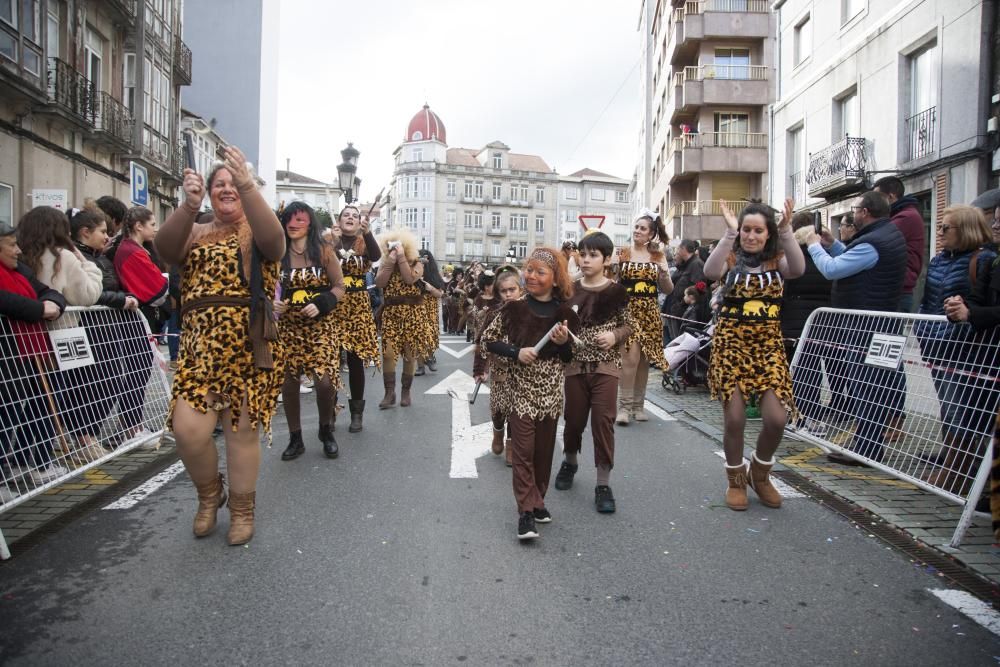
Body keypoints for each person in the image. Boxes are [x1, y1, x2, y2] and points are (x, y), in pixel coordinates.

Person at [154, 146, 285, 546]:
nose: (227, 189)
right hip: (198, 351)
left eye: (234, 183)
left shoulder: (256, 229)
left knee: (241, 432)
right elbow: (164, 250)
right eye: (219, 184)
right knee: (188, 431)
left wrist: (246, 182)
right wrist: (188, 206)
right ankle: (210, 495)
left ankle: (242, 509)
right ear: (209, 192)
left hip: (247, 347)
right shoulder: (194, 229)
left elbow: (276, 243)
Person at [703, 199, 803, 511]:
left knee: (776, 418)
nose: (751, 235)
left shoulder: (778, 260)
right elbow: (709, 271)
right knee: (734, 419)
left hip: (768, 347)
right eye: (746, 229)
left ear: (767, 233)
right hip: (731, 346)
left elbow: (798, 270)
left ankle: (759, 475)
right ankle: (735, 480)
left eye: (758, 230)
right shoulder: (730, 257)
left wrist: (787, 231)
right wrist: (728, 235)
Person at [801, 191, 907, 466]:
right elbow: (853, 259)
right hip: (883, 322)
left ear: (866, 212)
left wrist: (814, 245)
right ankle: (867, 442)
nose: (853, 213)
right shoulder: (886, 235)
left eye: (856, 208)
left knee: (866, 386)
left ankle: (867, 447)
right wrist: (833, 243)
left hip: (865, 327)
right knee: (873, 386)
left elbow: (833, 270)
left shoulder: (873, 242)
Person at [480, 249, 578, 540]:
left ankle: (537, 501)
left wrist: (561, 344)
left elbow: (571, 357)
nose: (531, 276)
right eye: (529, 270)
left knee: (543, 455)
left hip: (550, 395)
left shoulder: (566, 314)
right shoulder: (514, 308)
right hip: (520, 391)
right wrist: (515, 352)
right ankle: (525, 513)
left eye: (540, 272)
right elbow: (488, 341)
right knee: (522, 453)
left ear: (556, 278)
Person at [915, 205, 997, 491]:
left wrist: (963, 320)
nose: (938, 233)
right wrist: (922, 331)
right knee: (949, 410)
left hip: (967, 351)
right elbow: (928, 300)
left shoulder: (984, 260)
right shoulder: (938, 261)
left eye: (945, 228)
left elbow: (982, 306)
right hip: (937, 347)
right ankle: (955, 469)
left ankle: (961, 473)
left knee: (963, 413)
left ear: (965, 230)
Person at [553, 232, 632, 513]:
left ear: (607, 260)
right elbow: (559, 323)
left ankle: (603, 483)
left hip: (606, 367)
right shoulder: (570, 290)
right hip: (574, 367)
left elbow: (630, 326)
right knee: (573, 420)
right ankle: (570, 461)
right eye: (582, 254)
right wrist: (561, 336)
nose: (585, 260)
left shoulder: (617, 291)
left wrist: (614, 335)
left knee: (603, 422)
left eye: (593, 255)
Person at [272, 201, 345, 461]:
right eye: (289, 220)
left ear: (309, 223)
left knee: (324, 383)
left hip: (321, 328)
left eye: (299, 220)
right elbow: (267, 288)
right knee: (289, 384)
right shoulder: (276, 254)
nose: (293, 224)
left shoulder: (324, 251)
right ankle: (296, 438)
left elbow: (339, 286)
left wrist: (322, 303)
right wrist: (273, 304)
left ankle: (326, 430)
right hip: (289, 329)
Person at [0, 220, 69, 484]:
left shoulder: (20, 271)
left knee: (35, 405)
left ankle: (24, 462)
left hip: (29, 351)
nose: (17, 250)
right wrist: (37, 310)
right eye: (11, 245)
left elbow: (48, 292)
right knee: (6, 414)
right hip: (8, 352)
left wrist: (52, 302)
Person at [68, 207, 141, 456]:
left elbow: (106, 287)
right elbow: (90, 292)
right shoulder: (78, 258)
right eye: (102, 231)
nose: (107, 236)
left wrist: (122, 297)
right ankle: (84, 436)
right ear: (85, 232)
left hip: (107, 328)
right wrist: (121, 299)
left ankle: (89, 433)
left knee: (109, 381)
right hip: (87, 329)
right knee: (92, 383)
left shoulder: (101, 256)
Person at [112, 206, 168, 445]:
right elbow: (155, 287)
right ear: (139, 226)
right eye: (152, 224)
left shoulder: (133, 249)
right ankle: (131, 428)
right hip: (135, 317)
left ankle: (133, 426)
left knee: (140, 371)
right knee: (138, 371)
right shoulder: (131, 251)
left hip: (138, 315)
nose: (155, 228)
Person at [612, 211, 673, 425]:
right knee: (629, 359)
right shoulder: (623, 253)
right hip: (627, 311)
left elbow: (668, 288)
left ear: (651, 234)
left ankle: (639, 406)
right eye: (636, 227)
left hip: (650, 313)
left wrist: (664, 274)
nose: (637, 231)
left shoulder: (658, 256)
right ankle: (624, 407)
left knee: (644, 362)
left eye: (642, 228)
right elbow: (614, 283)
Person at [328, 206, 381, 432]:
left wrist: (368, 233)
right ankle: (328, 411)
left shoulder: (363, 242)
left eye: (355, 216)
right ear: (338, 221)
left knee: (355, 360)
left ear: (360, 222)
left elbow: (377, 256)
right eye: (346, 215)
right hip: (332, 303)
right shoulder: (331, 240)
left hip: (357, 306)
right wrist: (331, 242)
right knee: (329, 359)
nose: (350, 218)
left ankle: (356, 414)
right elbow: (318, 262)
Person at [781, 212, 834, 435]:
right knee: (813, 370)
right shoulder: (826, 257)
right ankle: (812, 419)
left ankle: (800, 417)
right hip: (822, 320)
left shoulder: (794, 259)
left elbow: (785, 290)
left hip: (794, 319)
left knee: (797, 370)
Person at [375, 229, 436, 409]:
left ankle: (405, 392)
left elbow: (409, 279)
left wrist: (401, 258)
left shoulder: (418, 263)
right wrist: (391, 259)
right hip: (391, 313)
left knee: (410, 356)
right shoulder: (386, 262)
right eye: (392, 245)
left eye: (399, 244)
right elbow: (379, 283)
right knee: (388, 354)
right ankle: (389, 392)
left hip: (412, 315)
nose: (395, 247)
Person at [474, 266, 523, 466]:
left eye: (513, 289)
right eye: (504, 291)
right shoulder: (494, 313)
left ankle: (511, 445)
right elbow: (482, 343)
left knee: (515, 410)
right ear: (498, 293)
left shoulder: (528, 311)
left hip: (521, 371)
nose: (509, 294)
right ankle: (497, 432)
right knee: (498, 409)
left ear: (520, 289)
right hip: (499, 369)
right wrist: (479, 369)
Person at [873, 177, 926, 313]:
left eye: (878, 197)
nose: (875, 203)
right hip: (893, 289)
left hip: (898, 291)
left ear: (891, 196)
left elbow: (877, 240)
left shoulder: (906, 217)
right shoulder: (895, 216)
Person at [413, 248, 444, 376]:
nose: (423, 261)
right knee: (417, 337)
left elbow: (440, 294)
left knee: (431, 334)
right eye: (420, 258)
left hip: (431, 310)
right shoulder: (412, 273)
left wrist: (430, 288)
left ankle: (430, 358)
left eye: (425, 258)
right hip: (416, 307)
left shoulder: (434, 275)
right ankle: (420, 366)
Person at [667, 239, 705, 338]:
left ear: (683, 249)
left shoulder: (696, 264)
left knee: (678, 341)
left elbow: (697, 288)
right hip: (676, 309)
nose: (677, 251)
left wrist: (683, 303)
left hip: (684, 312)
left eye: (678, 248)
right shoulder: (685, 264)